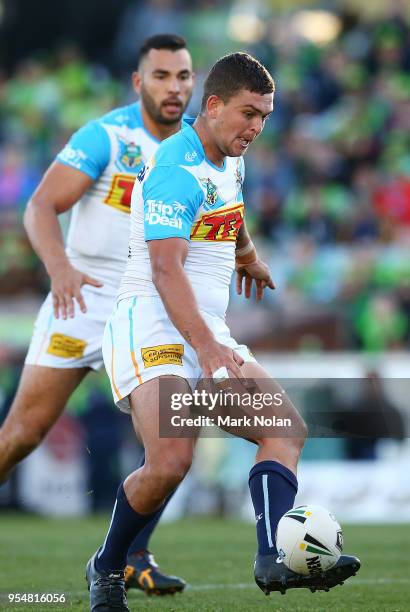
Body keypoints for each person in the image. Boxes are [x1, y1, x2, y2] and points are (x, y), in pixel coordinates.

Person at [86, 52, 360, 611]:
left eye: (265, 116)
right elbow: (165, 271)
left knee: (285, 431)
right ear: (212, 106)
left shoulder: (229, 158)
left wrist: (249, 256)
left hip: (204, 327)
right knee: (170, 461)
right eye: (248, 114)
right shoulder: (174, 170)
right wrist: (208, 349)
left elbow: (227, 212)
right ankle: (107, 568)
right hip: (151, 325)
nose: (257, 127)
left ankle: (270, 557)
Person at [0, 34, 196, 595]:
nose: (174, 86)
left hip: (147, 310)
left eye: (183, 76)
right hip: (80, 301)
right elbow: (41, 205)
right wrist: (59, 268)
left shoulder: (196, 148)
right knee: (21, 435)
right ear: (140, 82)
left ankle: (131, 555)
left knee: (171, 441)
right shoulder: (108, 136)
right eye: (161, 75)